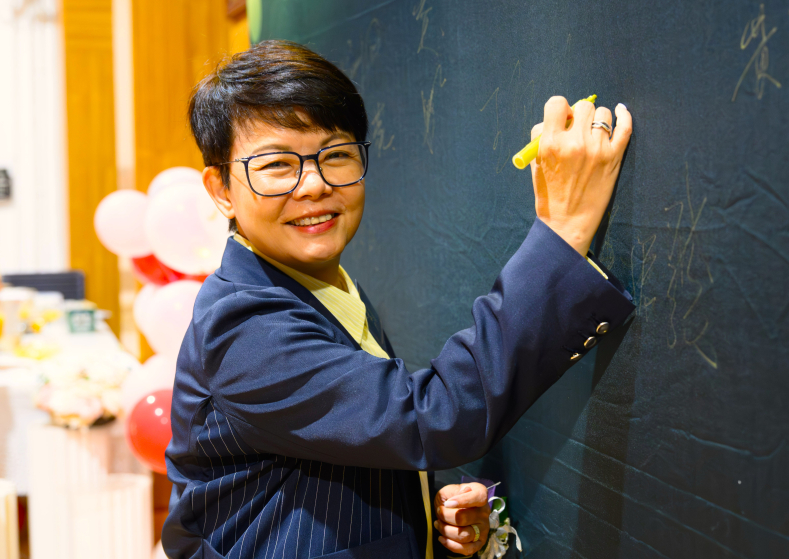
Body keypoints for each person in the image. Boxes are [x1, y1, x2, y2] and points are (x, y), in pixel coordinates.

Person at [162, 40, 634, 559]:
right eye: (277, 164)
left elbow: (342, 445)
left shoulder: (319, 283)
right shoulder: (243, 325)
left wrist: (426, 515)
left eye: (336, 154)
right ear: (221, 189)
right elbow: (432, 416)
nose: (314, 185)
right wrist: (562, 232)